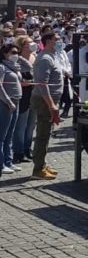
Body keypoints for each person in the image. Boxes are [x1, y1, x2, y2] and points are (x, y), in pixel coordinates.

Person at [30, 29, 64, 180]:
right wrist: (51, 104)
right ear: (49, 41)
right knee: (43, 135)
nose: (60, 41)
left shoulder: (52, 56)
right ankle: (38, 169)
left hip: (50, 100)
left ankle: (42, 163)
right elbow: (42, 84)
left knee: (46, 133)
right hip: (44, 101)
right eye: (57, 39)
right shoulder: (44, 59)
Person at [12, 34, 35, 166]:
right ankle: (18, 152)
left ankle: (27, 149)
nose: (32, 44)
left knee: (31, 125)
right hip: (23, 95)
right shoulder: (17, 60)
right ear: (22, 46)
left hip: (34, 95)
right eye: (28, 43)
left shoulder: (34, 57)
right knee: (21, 125)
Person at [0, 42, 22, 174]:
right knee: (2, 135)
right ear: (5, 54)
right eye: (13, 53)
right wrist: (8, 101)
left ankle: (8, 161)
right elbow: (0, 86)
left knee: (10, 134)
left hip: (16, 101)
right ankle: (1, 164)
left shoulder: (14, 67)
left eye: (17, 53)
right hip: (5, 103)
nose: (16, 55)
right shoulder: (2, 67)